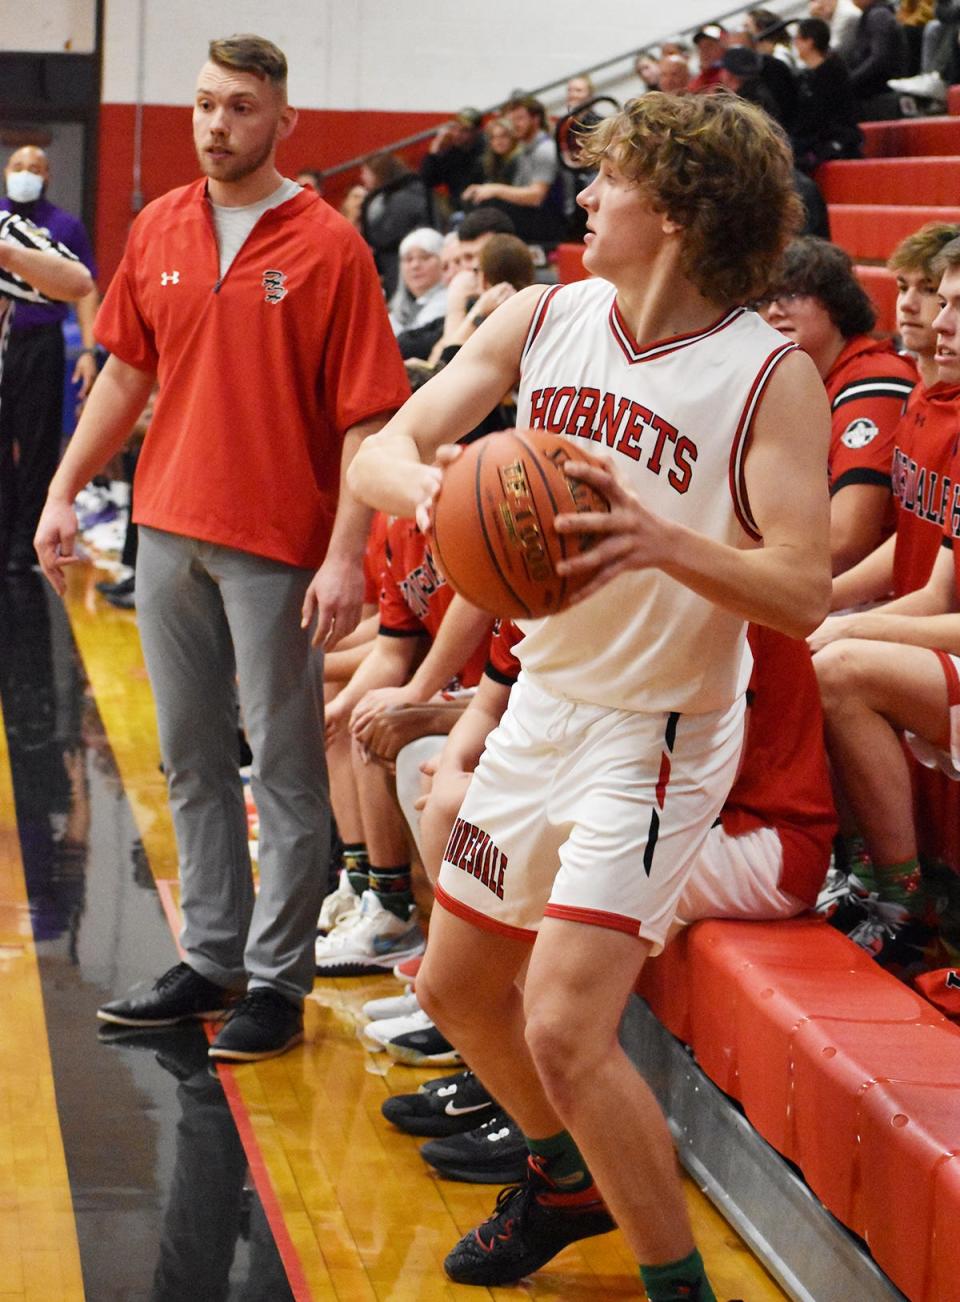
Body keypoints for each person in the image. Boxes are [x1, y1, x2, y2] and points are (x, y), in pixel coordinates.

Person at [347, 91, 830, 1297]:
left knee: (563, 1027)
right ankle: (565, 1180)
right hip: (541, 705)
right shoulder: (542, 314)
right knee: (454, 987)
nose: (587, 197)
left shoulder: (767, 378)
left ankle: (680, 1286)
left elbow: (804, 591)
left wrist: (665, 541)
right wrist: (443, 488)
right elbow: (377, 452)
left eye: (609, 180)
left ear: (669, 210)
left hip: (659, 738)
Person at [33, 34, 410, 1062]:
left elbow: (368, 418)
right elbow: (122, 377)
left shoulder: (330, 246)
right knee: (190, 759)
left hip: (280, 544)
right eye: (204, 104)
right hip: (167, 532)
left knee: (283, 768)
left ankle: (278, 979)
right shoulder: (159, 223)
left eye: (240, 107)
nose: (216, 124)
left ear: (282, 121)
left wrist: (344, 555)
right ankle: (212, 957)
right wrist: (64, 488)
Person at [811, 235, 960, 969]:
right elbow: (921, 567)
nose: (930, 318)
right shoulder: (930, 401)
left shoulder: (884, 386)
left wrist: (848, 630)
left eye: (937, 297)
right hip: (931, 619)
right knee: (813, 649)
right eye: (941, 302)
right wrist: (819, 607)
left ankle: (903, 901)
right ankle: (873, 877)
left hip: (941, 632)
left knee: (837, 668)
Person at [758, 236, 917, 573]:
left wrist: (738, 574)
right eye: (766, 299)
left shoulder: (876, 380)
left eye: (792, 294)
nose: (774, 310)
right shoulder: (798, 379)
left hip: (866, 592)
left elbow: (847, 540)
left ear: (837, 302)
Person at [0, 146, 99, 573]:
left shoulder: (62, 225)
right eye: (18, 167)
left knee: (38, 442)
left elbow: (84, 284)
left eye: (34, 169)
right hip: (8, 340)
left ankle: (26, 541)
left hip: (40, 341)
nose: (25, 175)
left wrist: (90, 352)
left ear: (47, 176)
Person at [461, 95, 563, 245]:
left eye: (519, 119)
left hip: (549, 223)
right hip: (532, 217)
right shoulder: (524, 149)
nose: (514, 124)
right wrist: (485, 188)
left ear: (535, 120)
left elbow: (536, 197)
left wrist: (495, 189)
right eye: (511, 120)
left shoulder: (544, 149)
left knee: (490, 203)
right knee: (478, 200)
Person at [792, 17, 863, 171]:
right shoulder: (809, 75)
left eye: (797, 39)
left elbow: (823, 115)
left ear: (809, 42)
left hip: (835, 141)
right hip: (819, 139)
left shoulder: (832, 73)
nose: (794, 44)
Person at [360, 151, 431, 298]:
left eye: (366, 173)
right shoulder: (413, 189)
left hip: (398, 265)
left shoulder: (395, 198)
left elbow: (386, 234)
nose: (362, 178)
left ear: (378, 172)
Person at [419, 108, 486, 222]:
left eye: (465, 130)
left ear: (476, 132)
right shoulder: (451, 151)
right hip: (457, 208)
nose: (458, 134)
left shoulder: (485, 154)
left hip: (479, 208)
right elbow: (426, 181)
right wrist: (433, 153)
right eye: (456, 128)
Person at [846, 0, 907, 116]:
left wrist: (849, 81)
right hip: (872, 82)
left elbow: (879, 59)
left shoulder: (878, 15)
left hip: (881, 85)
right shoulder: (871, 14)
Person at [689, 25, 728, 91]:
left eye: (709, 46)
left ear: (722, 46)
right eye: (700, 48)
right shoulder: (696, 83)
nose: (704, 52)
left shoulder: (731, 76)